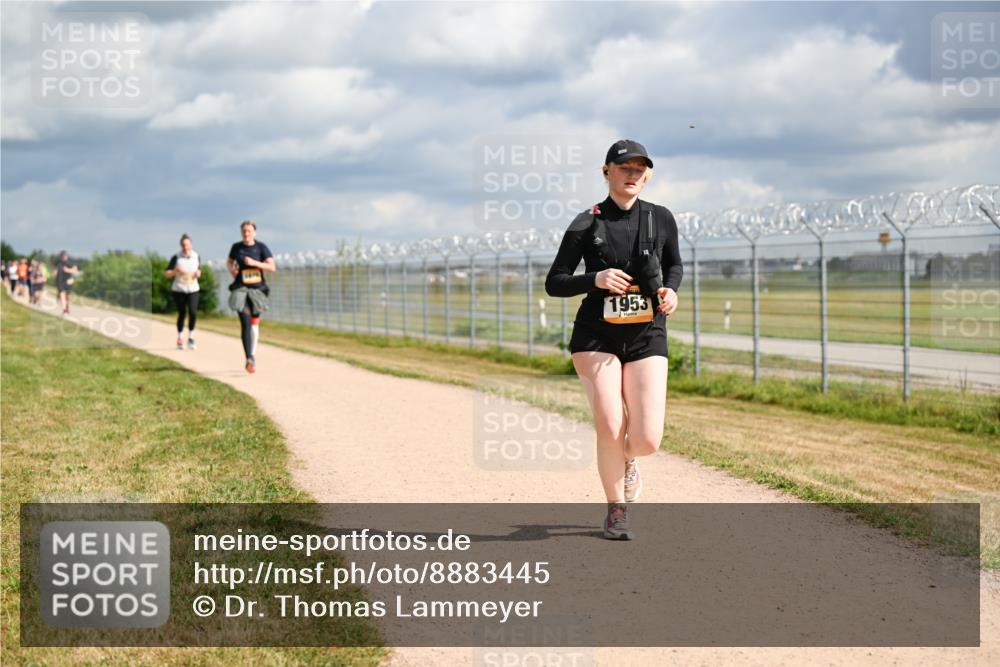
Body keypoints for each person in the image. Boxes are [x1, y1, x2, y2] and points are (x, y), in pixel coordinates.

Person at [545, 139, 682, 540]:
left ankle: (629, 460)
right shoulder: (586, 222)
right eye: (624, 168)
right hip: (595, 335)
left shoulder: (660, 218)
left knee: (647, 439)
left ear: (647, 176)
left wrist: (671, 291)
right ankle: (616, 509)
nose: (632, 174)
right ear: (607, 171)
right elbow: (555, 282)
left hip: (647, 332)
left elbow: (674, 265)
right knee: (610, 423)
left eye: (639, 169)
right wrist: (596, 279)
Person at [227, 220, 276, 373]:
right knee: (245, 322)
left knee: (254, 323)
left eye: (249, 231)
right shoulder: (236, 247)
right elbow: (229, 262)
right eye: (244, 231)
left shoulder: (261, 247)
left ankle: (252, 354)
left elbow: (272, 267)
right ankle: (249, 358)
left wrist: (255, 263)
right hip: (241, 290)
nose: (246, 233)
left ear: (254, 232)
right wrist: (233, 271)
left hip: (257, 291)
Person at [164, 233, 202, 350]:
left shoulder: (196, 256)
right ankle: (180, 337)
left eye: (188, 245)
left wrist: (198, 273)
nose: (186, 247)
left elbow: (199, 270)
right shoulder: (176, 257)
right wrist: (175, 271)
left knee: (193, 312)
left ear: (191, 245)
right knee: (182, 313)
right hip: (179, 289)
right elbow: (166, 274)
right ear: (181, 246)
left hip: (193, 289)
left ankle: (191, 338)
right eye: (184, 245)